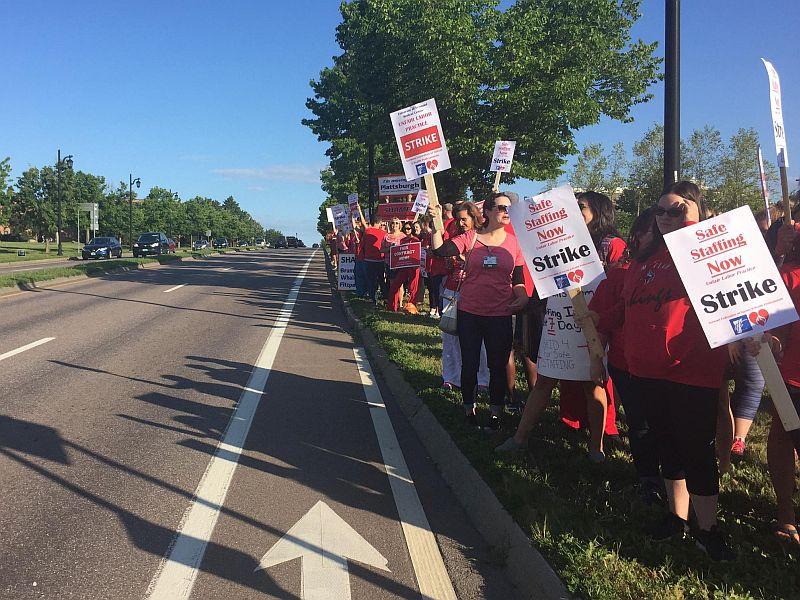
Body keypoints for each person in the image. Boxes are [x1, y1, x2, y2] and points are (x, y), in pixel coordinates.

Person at [593, 181, 733, 560]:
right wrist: (591, 320)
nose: (668, 217)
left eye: (678, 209)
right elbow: (624, 308)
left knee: (697, 450)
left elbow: (740, 297)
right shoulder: (642, 260)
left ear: (697, 211)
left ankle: (708, 529)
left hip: (693, 369)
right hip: (646, 370)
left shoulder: (709, 252)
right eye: (661, 211)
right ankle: (677, 518)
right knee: (666, 445)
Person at [497, 191, 625, 462]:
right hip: (558, 320)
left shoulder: (610, 244)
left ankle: (596, 447)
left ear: (599, 211)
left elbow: (619, 284)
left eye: (582, 207)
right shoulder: (554, 242)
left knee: (594, 385)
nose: (575, 211)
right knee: (544, 380)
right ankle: (519, 438)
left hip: (591, 324)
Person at [430, 193, 528, 430]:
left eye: (510, 208)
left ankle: (495, 413)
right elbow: (441, 251)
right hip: (470, 312)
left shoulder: (514, 243)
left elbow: (518, 279)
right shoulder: (471, 237)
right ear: (489, 212)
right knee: (470, 363)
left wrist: (522, 295)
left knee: (497, 366)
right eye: (502, 207)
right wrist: (435, 225)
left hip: (500, 314)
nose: (507, 211)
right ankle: (469, 410)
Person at [757, 221, 800, 546]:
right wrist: (777, 251)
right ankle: (786, 513)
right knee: (783, 439)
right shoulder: (788, 271)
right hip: (792, 375)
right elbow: (759, 291)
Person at [437, 202, 490, 390]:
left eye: (464, 219)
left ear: (474, 218)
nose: (461, 224)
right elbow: (443, 259)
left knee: (479, 339)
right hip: (452, 292)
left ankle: (483, 379)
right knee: (450, 336)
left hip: (475, 293)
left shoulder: (485, 239)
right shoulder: (455, 239)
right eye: (458, 220)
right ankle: (451, 377)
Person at [383, 219, 419, 313]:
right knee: (395, 285)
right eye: (405, 228)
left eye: (409, 229)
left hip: (413, 267)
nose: (407, 230)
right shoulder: (402, 240)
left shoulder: (415, 240)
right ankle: (392, 308)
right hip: (402, 266)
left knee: (412, 288)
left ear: (412, 230)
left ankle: (412, 308)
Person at [361, 214, 387, 304]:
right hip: (380, 259)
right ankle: (385, 297)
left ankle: (373, 298)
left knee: (371, 280)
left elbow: (363, 245)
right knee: (381, 279)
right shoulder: (384, 233)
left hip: (369, 260)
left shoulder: (367, 231)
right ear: (380, 222)